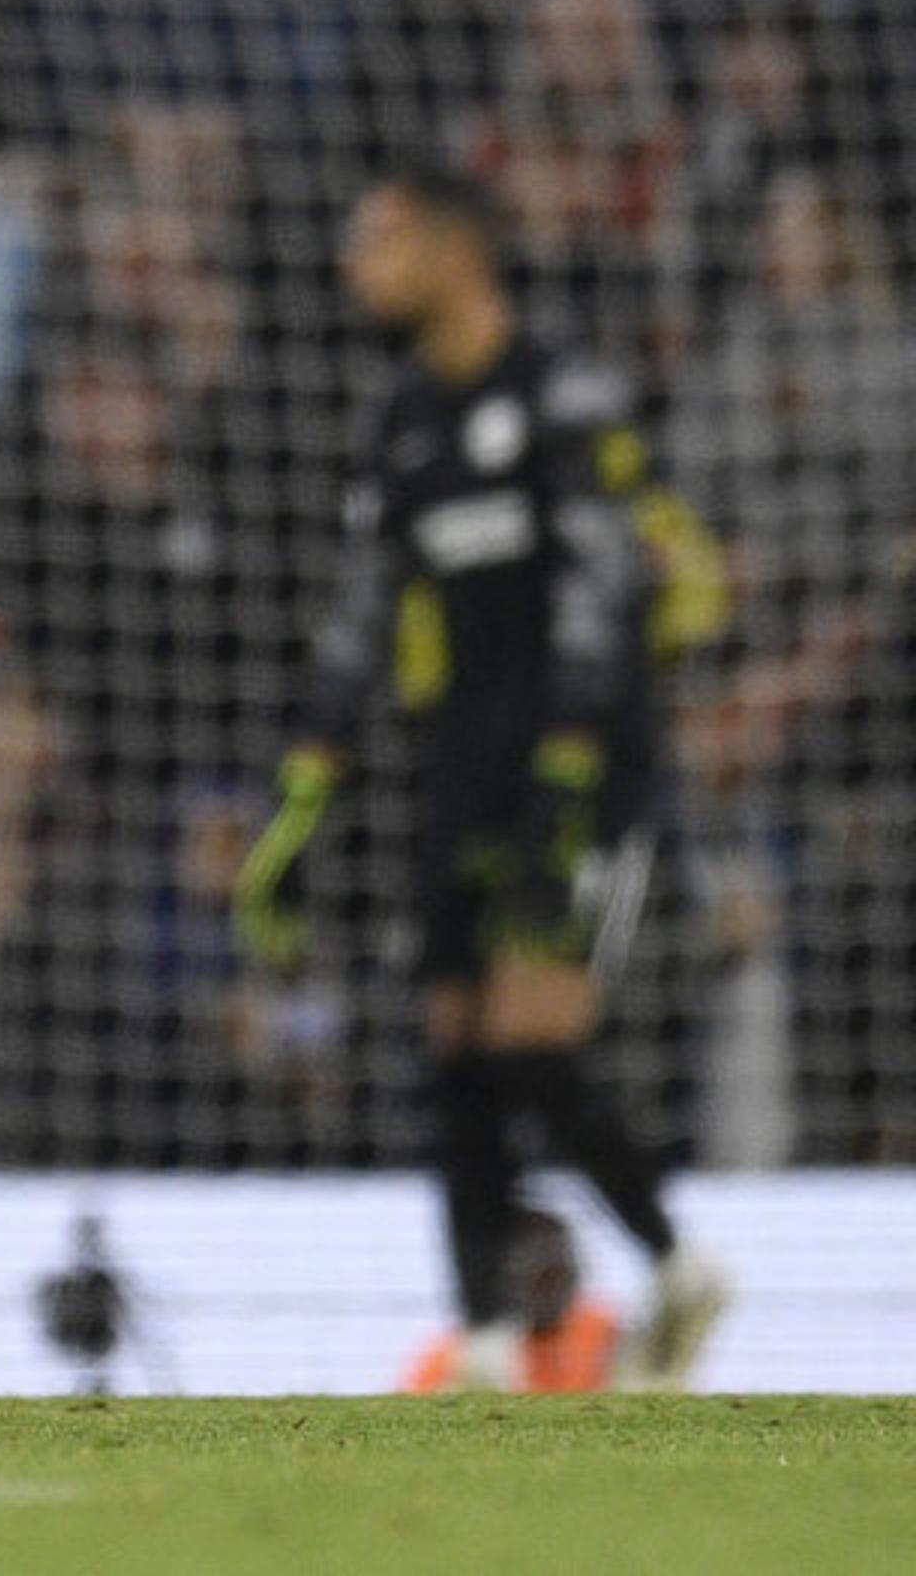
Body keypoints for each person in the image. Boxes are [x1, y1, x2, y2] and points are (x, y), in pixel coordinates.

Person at [239, 166, 729, 1391]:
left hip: (582, 765)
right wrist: (308, 786)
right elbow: (364, 608)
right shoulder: (402, 417)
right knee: (450, 1041)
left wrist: (568, 761)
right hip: (456, 755)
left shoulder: (565, 395)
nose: (357, 264)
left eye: (377, 239)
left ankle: (677, 1263)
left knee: (527, 1043)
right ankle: (495, 1337)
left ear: (456, 252)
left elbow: (607, 585)